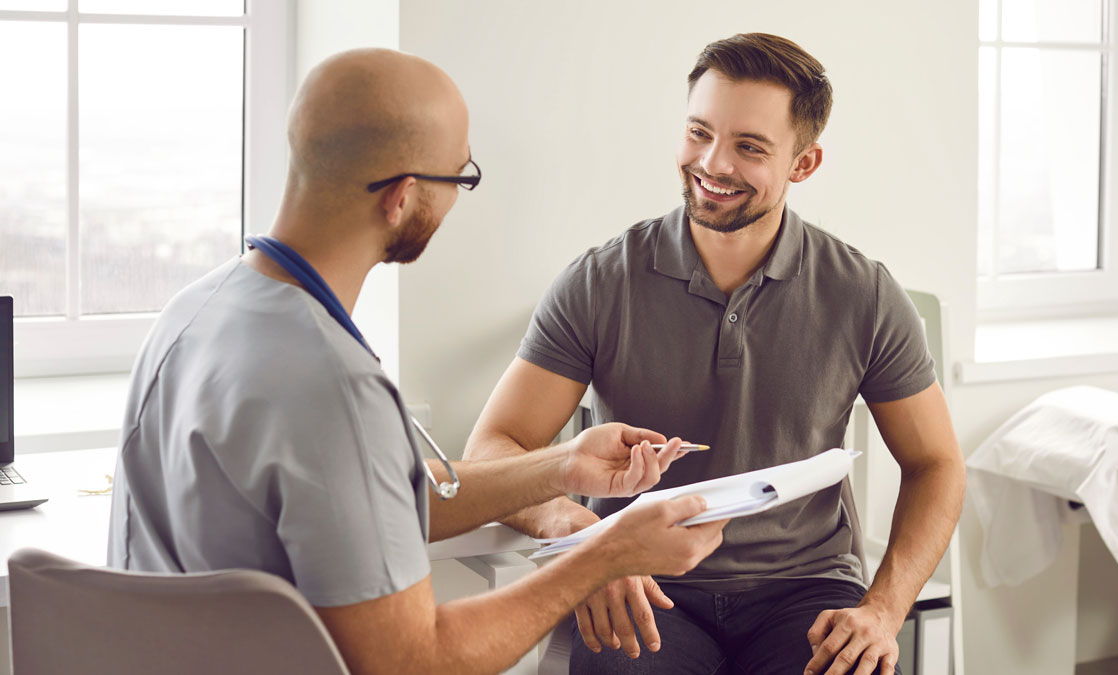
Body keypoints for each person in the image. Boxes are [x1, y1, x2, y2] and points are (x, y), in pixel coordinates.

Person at [107, 48, 728, 675]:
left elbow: (367, 500)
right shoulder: (331, 386)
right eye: (460, 178)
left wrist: (560, 466)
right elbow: (414, 661)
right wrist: (604, 556)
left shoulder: (195, 310)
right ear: (401, 197)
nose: (458, 197)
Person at [465, 33, 966, 675]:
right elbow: (493, 449)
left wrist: (885, 609)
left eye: (749, 147)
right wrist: (583, 539)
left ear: (803, 164)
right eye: (699, 132)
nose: (712, 163)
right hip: (639, 579)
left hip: (805, 589)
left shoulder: (863, 293)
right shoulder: (599, 282)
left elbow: (936, 464)